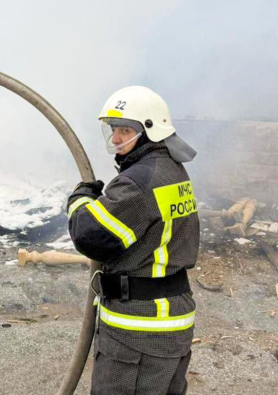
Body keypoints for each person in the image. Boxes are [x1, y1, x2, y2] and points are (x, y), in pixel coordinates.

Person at [67, 86, 200, 395]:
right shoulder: (173, 172)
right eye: (113, 130)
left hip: (138, 330)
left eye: (124, 130)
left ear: (150, 130)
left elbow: (89, 236)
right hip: (171, 318)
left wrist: (80, 198)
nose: (115, 139)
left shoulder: (138, 182)